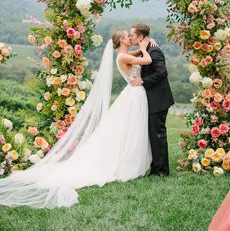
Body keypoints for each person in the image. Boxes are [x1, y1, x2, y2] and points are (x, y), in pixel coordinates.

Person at [0, 30, 156, 209]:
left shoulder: (124, 54)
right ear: (121, 39)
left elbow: (135, 55)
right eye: (128, 36)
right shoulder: (122, 57)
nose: (131, 38)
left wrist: (145, 45)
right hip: (134, 95)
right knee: (131, 129)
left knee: (131, 129)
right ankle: (128, 162)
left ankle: (129, 158)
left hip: (134, 94)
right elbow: (147, 60)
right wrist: (144, 49)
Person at [129, 24, 174, 177]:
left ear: (141, 37)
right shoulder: (145, 49)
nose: (130, 38)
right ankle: (156, 167)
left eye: (132, 35)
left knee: (158, 135)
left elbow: (162, 72)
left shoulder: (153, 50)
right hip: (151, 99)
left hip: (159, 99)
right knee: (153, 134)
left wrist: (142, 81)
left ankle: (161, 171)